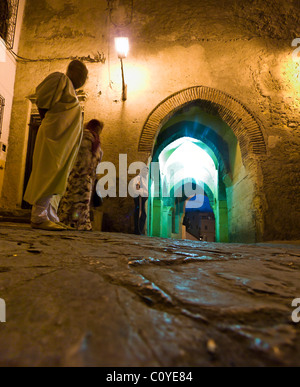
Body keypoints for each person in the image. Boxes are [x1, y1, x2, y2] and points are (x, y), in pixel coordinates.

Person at [24, 60, 88, 231]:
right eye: (84, 73)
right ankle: (38, 216)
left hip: (63, 142)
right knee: (49, 173)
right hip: (54, 138)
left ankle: (50, 214)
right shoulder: (60, 79)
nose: (86, 77)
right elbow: (42, 101)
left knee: (58, 176)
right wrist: (49, 122)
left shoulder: (71, 90)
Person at [57, 119, 104, 231]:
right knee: (76, 201)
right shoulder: (86, 138)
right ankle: (75, 223)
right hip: (81, 176)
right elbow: (84, 159)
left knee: (80, 202)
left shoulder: (94, 139)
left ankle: (78, 222)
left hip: (86, 178)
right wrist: (85, 174)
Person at [132, 167, 149, 235]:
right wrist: (140, 193)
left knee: (141, 214)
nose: (146, 172)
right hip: (139, 197)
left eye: (147, 171)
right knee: (140, 213)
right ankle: (137, 230)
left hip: (143, 198)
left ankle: (138, 230)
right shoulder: (139, 178)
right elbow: (137, 186)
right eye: (144, 171)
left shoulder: (145, 179)